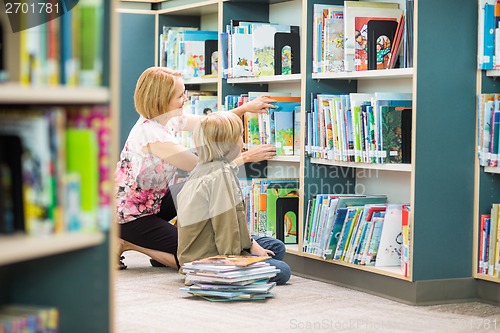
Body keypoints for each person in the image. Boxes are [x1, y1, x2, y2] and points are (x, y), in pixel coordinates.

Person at [116, 67, 277, 270]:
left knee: (192, 188)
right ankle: (128, 243)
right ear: (161, 100)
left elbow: (210, 124)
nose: (186, 98)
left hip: (154, 201)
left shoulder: (169, 118)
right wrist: (245, 157)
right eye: (180, 94)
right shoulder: (152, 136)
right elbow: (204, 169)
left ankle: (163, 239)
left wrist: (244, 108)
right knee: (192, 256)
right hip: (129, 216)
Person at [176, 111, 291, 285]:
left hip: (198, 249)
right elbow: (226, 227)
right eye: (240, 136)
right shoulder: (220, 175)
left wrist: (251, 244)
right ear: (228, 143)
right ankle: (215, 275)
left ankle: (249, 254)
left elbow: (233, 222)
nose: (243, 142)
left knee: (276, 247)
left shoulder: (205, 167)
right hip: (208, 259)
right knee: (283, 271)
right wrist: (237, 262)